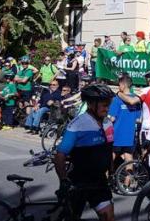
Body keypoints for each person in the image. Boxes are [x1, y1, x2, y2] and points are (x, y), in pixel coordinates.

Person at [54, 84, 115, 221]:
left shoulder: (108, 124)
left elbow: (108, 150)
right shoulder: (77, 124)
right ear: (91, 103)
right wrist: (64, 180)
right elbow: (60, 156)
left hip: (99, 182)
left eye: (108, 105)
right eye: (104, 105)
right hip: (78, 183)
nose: (107, 108)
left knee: (109, 217)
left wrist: (111, 172)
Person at [115, 70, 150, 140]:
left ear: (148, 79)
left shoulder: (145, 90)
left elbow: (131, 101)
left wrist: (119, 93)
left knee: (145, 150)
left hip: (147, 128)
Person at [108, 74, 141, 168]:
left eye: (119, 85)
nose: (118, 87)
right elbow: (138, 119)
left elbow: (112, 118)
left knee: (110, 158)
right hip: (129, 135)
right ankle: (127, 182)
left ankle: (104, 181)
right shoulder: (136, 99)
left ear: (123, 85)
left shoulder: (116, 99)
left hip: (117, 135)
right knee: (128, 158)